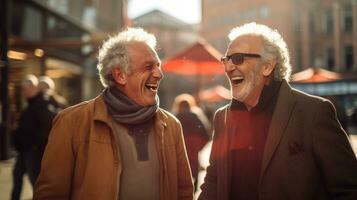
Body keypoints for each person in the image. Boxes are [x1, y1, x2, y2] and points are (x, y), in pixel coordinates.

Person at [199, 22, 357, 200]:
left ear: (267, 66)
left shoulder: (314, 113)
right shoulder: (223, 118)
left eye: (238, 58)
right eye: (226, 60)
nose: (228, 67)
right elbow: (214, 180)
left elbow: (349, 189)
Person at [34, 28, 193, 200]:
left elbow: (183, 191)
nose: (159, 74)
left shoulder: (172, 125)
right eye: (148, 67)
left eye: (158, 66)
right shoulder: (71, 122)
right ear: (120, 75)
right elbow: (50, 194)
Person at [11, 74, 56, 200]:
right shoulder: (31, 104)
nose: (24, 92)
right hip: (24, 151)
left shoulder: (41, 103)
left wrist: (37, 145)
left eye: (25, 89)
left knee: (35, 182)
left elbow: (50, 124)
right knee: (17, 178)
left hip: (33, 151)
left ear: (32, 88)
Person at [172, 94, 211, 191]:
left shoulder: (175, 117)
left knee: (179, 167)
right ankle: (195, 187)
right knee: (194, 165)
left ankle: (181, 187)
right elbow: (206, 133)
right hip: (193, 145)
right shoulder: (196, 115)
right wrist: (199, 146)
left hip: (180, 145)